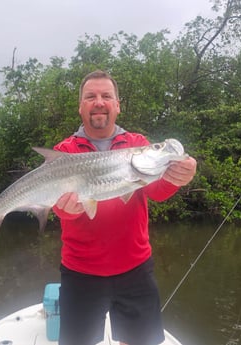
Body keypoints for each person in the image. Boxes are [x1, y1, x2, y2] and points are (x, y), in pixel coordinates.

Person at [52, 70, 197, 345]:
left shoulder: (137, 145)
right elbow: (58, 206)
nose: (99, 102)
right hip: (80, 272)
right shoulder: (65, 151)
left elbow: (158, 192)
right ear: (80, 106)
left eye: (107, 96)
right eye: (91, 96)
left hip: (135, 269)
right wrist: (65, 210)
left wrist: (178, 177)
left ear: (117, 105)